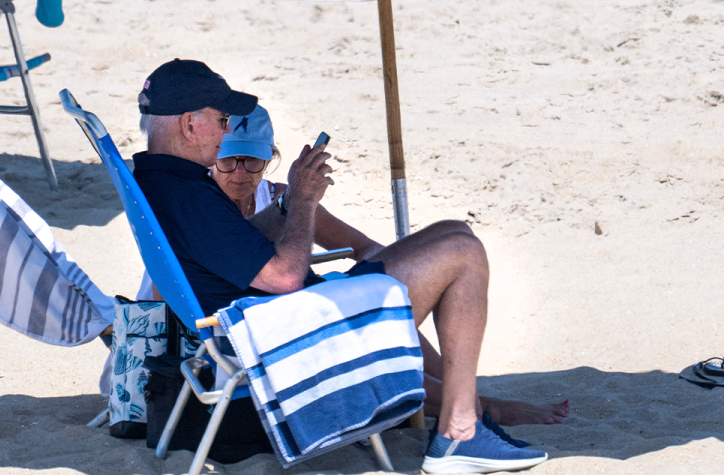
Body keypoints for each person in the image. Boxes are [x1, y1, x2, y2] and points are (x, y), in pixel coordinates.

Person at [133, 59, 551, 473]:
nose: (227, 131)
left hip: (275, 320)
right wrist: (302, 202)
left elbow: (239, 248)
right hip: (287, 337)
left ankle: (469, 413)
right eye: (222, 119)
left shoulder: (168, 183)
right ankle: (460, 430)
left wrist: (283, 206)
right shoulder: (187, 195)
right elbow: (284, 276)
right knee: (464, 253)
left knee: (453, 230)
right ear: (189, 124)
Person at [208, 104, 569, 429]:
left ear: (270, 157)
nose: (240, 173)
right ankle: (481, 407)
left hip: (310, 307)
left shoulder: (280, 197)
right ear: (211, 156)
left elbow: (364, 247)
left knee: (450, 236)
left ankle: (467, 398)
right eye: (228, 160)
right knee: (394, 295)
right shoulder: (204, 210)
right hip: (280, 336)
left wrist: (408, 272)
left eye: (251, 160)